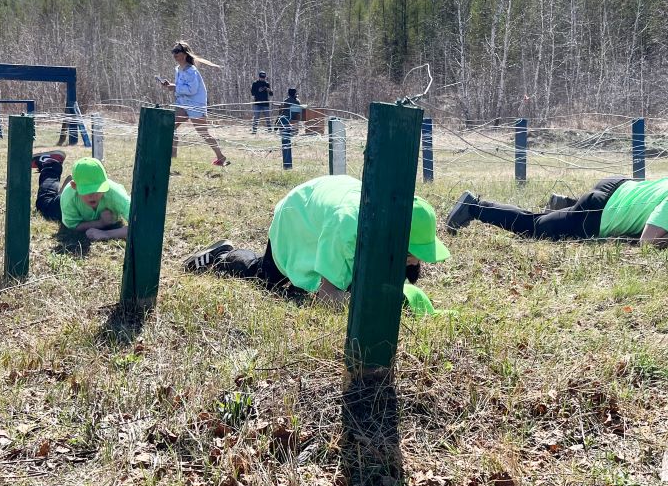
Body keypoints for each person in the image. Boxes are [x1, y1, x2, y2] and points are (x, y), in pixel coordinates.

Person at [184, 174, 449, 313]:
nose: (416, 261)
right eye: (412, 253)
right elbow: (327, 297)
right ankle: (224, 257)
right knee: (271, 281)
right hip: (298, 215)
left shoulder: (389, 220)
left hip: (330, 204)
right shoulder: (346, 228)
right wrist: (377, 306)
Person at [445, 154, 668, 246]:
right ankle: (474, 206)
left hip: (617, 187)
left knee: (559, 216)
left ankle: (565, 205)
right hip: (602, 213)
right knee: (535, 227)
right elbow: (648, 241)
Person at [157, 41, 228, 166]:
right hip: (182, 103)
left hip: (195, 105)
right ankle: (173, 157)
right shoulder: (178, 69)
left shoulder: (191, 71)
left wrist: (175, 87)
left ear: (184, 54)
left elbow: (192, 90)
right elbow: (180, 88)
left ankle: (221, 157)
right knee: (169, 127)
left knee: (203, 133)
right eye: (173, 52)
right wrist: (171, 86)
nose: (174, 54)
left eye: (177, 52)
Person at [32, 151, 130, 241]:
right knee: (44, 203)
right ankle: (51, 164)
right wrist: (101, 223)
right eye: (87, 190)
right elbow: (72, 226)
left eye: (98, 189)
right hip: (69, 200)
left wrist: (106, 234)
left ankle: (69, 183)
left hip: (74, 196)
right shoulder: (69, 198)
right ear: (75, 186)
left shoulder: (115, 193)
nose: (93, 195)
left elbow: (139, 224)